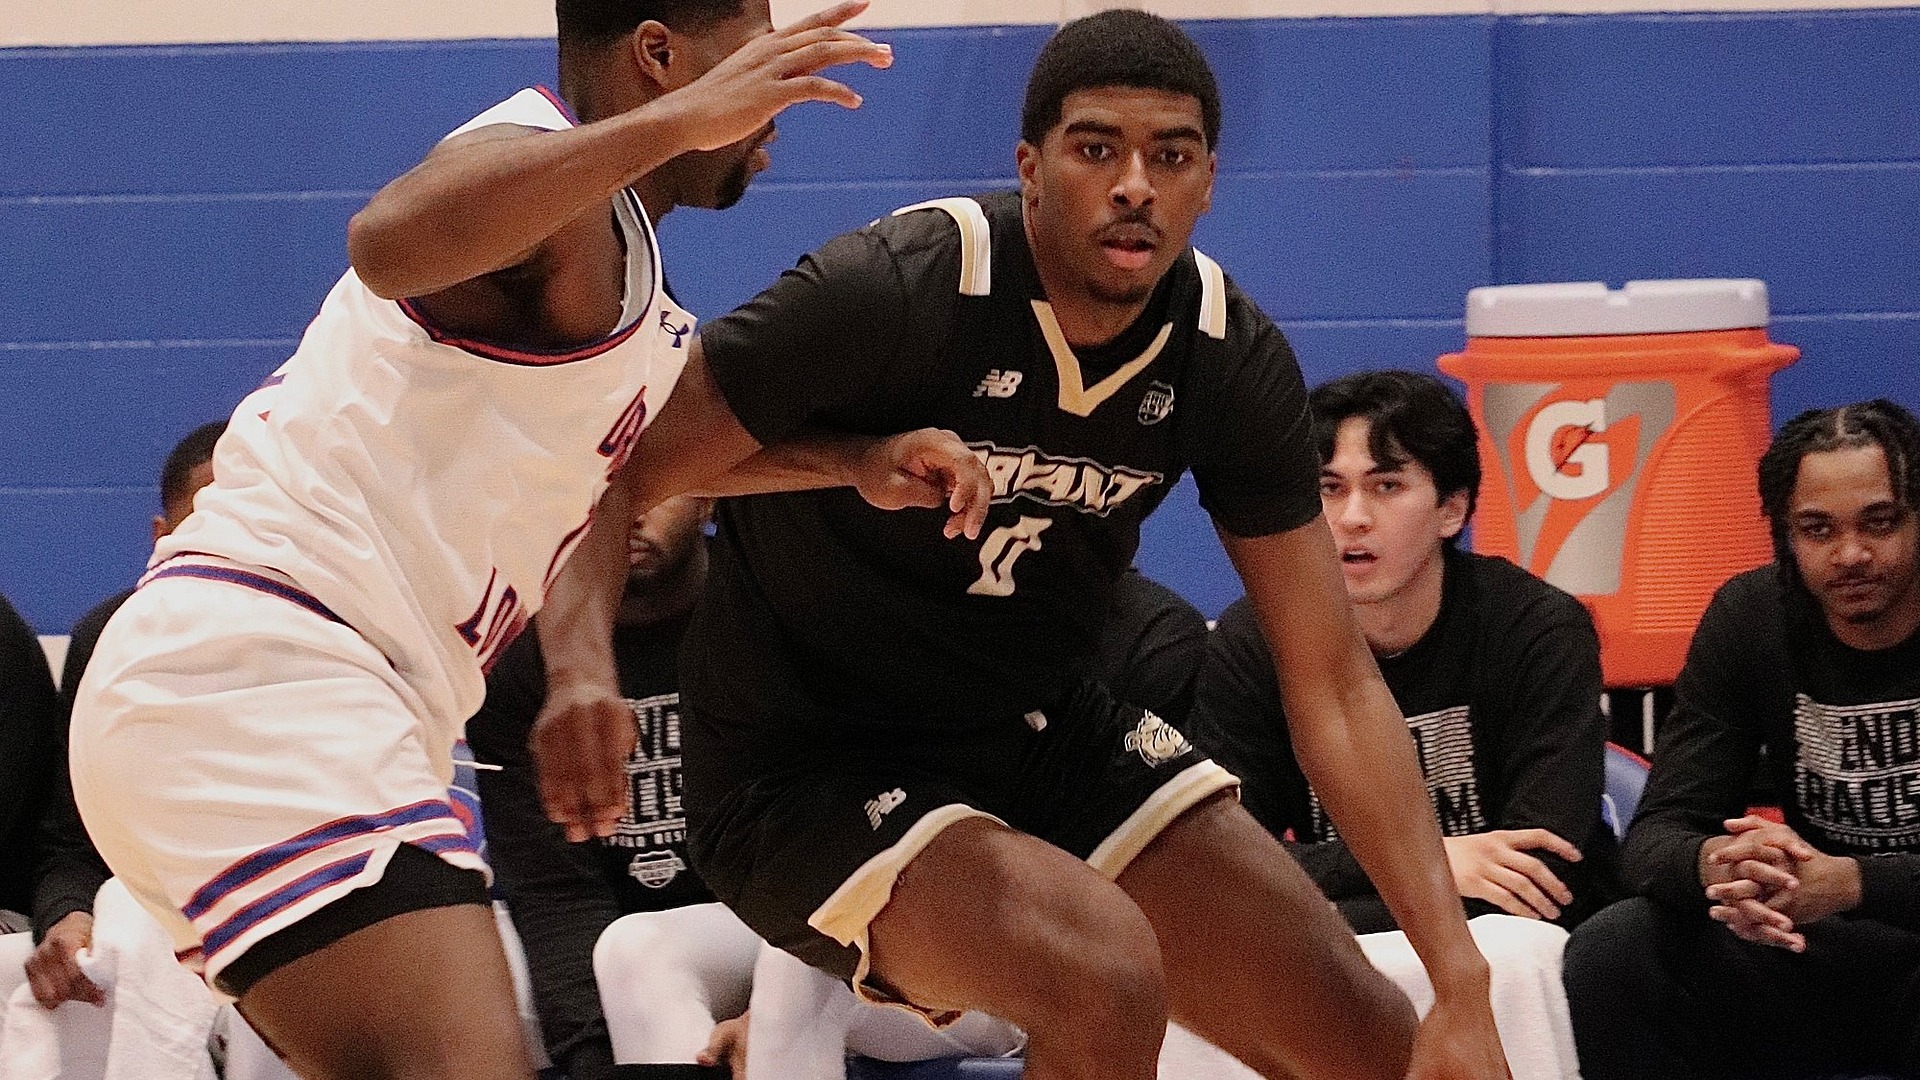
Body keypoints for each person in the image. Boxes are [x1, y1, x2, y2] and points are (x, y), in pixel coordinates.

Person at [538, 12, 1510, 1079]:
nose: (1134, 186)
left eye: (1171, 157)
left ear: (1207, 185)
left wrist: (1460, 979)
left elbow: (1333, 680)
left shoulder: (1224, 353)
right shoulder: (901, 285)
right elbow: (614, 461)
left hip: (1036, 727)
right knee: (1104, 974)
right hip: (804, 761)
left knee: (1377, 1043)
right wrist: (581, 667)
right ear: (1030, 168)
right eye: (1097, 149)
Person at [64, 4, 992, 1078]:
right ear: (661, 56)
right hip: (261, 678)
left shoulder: (623, 273)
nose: (778, 104)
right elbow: (384, 241)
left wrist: (854, 461)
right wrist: (683, 121)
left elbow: (627, 467)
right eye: (760, 63)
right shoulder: (537, 170)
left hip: (301, 696)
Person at [475, 487, 1204, 1076]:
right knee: (634, 949)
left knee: (808, 943)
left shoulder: (801, 614)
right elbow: (553, 890)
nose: (626, 512)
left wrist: (766, 1022)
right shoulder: (538, 669)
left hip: (981, 942)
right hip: (772, 920)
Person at [1563, 398, 1920, 1080]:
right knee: (1618, 950)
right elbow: (1657, 833)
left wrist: (1854, 882)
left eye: (1879, 522)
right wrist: (1724, 868)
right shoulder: (1752, 617)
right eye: (1817, 529)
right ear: (1785, 534)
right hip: (1805, 941)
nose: (1851, 554)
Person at [1190, 370, 1615, 935]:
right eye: (1329, 488)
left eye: (1386, 486)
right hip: (1352, 938)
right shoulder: (1257, 639)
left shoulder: (1537, 630)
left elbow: (1542, 868)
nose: (1353, 518)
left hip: (1526, 940)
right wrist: (1431, 863)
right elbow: (1226, 862)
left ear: (1452, 511)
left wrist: (1332, 906)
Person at [21, 420, 225, 1015]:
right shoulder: (108, 641)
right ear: (162, 537)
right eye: (211, 528)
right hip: (157, 913)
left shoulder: (354, 638)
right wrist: (69, 915)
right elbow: (71, 841)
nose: (236, 551)